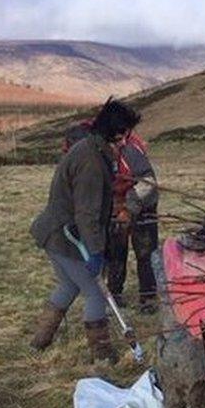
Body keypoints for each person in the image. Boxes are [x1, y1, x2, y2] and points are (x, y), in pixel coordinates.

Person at [28, 98, 142, 362]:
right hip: (64, 236)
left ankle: (40, 341)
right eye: (124, 135)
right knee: (95, 293)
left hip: (59, 233)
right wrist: (95, 252)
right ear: (112, 132)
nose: (126, 141)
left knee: (69, 284)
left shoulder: (91, 148)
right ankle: (102, 354)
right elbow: (87, 213)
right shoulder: (91, 162)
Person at [63, 120, 159, 313]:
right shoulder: (81, 158)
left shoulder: (127, 151)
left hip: (142, 202)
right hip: (114, 203)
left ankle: (148, 298)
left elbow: (148, 182)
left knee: (144, 251)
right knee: (115, 251)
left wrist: (129, 208)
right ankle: (115, 295)